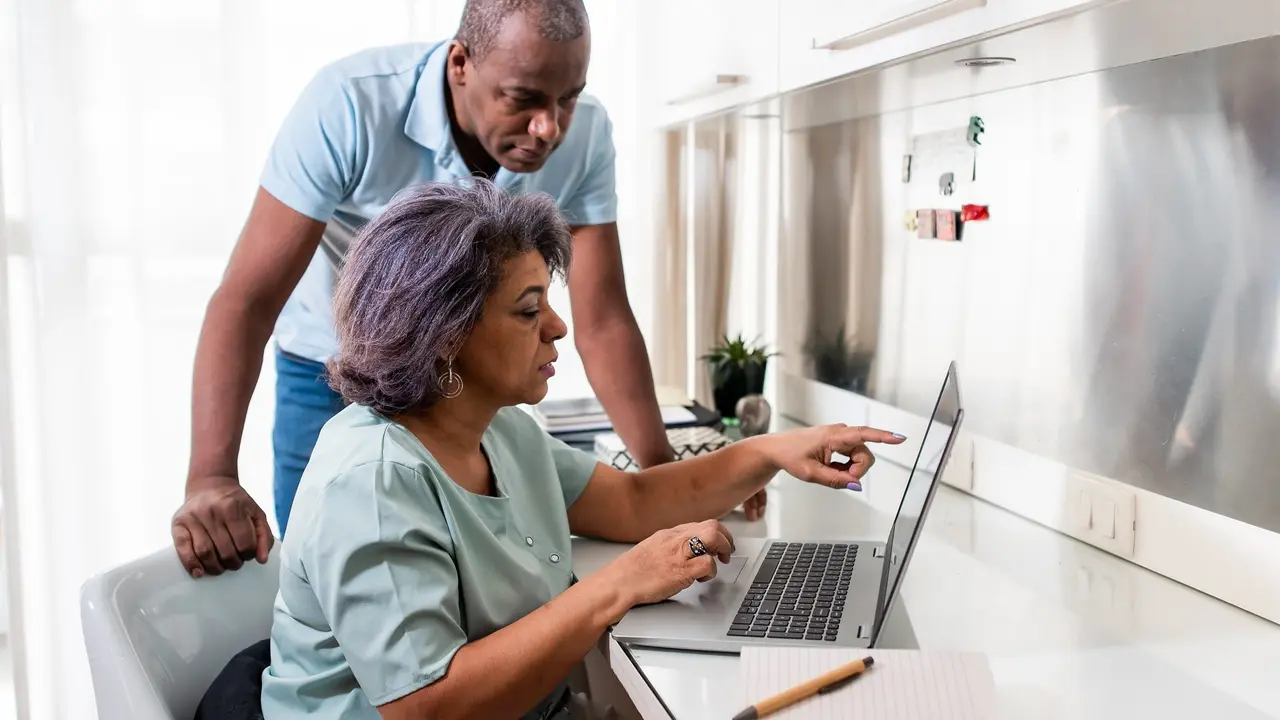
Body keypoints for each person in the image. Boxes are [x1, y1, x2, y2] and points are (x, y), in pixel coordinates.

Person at [258, 180, 905, 720]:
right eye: (527, 309)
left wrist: (773, 450)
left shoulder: (497, 429)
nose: (559, 327)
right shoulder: (373, 481)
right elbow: (427, 705)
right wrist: (621, 583)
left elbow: (632, 501)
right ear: (445, 335)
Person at [172, 0, 768, 578]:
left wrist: (665, 477)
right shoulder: (349, 104)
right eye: (524, 98)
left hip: (463, 388)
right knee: (330, 585)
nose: (549, 128)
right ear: (461, 64)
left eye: (569, 97)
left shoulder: (583, 135)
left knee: (468, 596)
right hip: (332, 375)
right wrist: (211, 477)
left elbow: (604, 315)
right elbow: (247, 301)